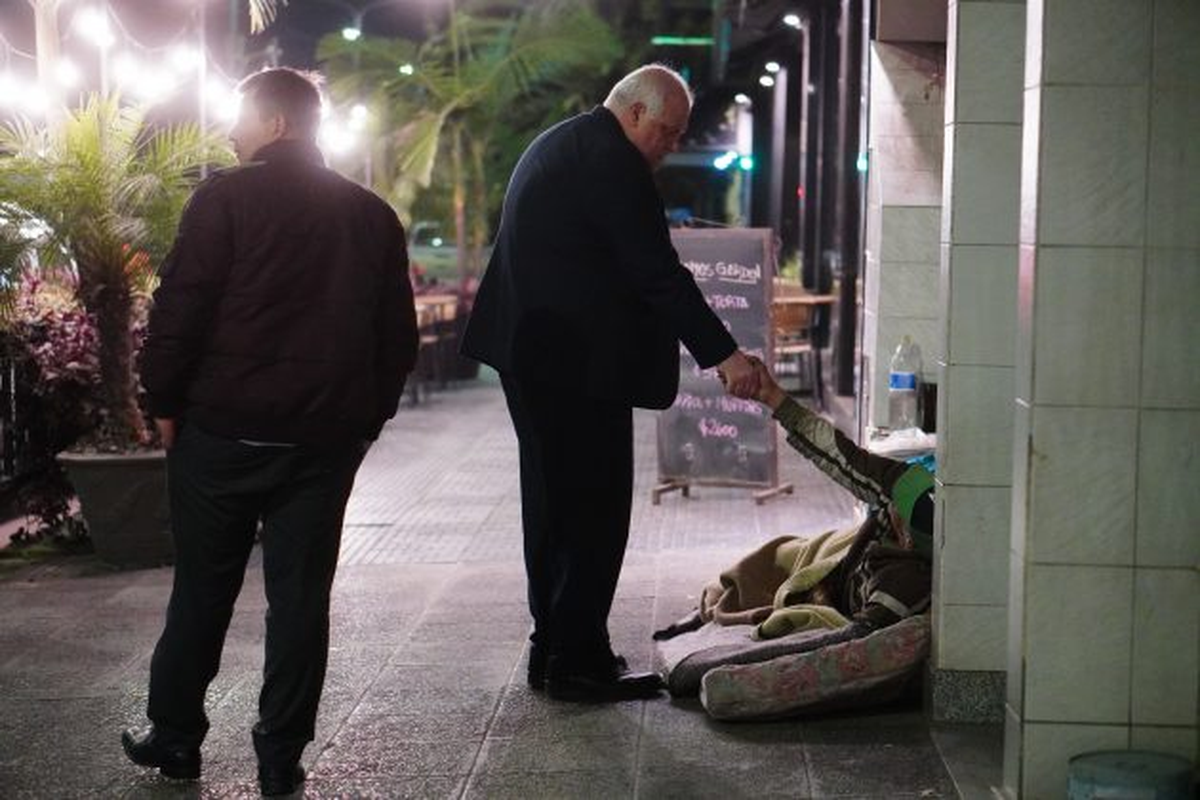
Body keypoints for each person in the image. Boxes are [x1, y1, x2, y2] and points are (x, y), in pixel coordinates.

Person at [122, 68, 418, 796]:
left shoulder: (223, 200)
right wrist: (362, 422)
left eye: (242, 118)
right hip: (321, 443)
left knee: (202, 589)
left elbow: (180, 310)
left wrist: (163, 401)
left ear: (278, 123)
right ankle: (280, 755)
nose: (231, 132)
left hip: (221, 432)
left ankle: (177, 738)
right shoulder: (370, 214)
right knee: (301, 599)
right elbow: (396, 339)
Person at [461, 64, 760, 703]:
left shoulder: (568, 141)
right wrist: (726, 356)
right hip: (572, 368)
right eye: (668, 131)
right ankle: (577, 662)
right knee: (591, 511)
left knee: (555, 507)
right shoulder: (611, 162)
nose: (673, 145)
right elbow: (657, 273)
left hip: (538, 358)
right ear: (635, 112)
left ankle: (556, 649)